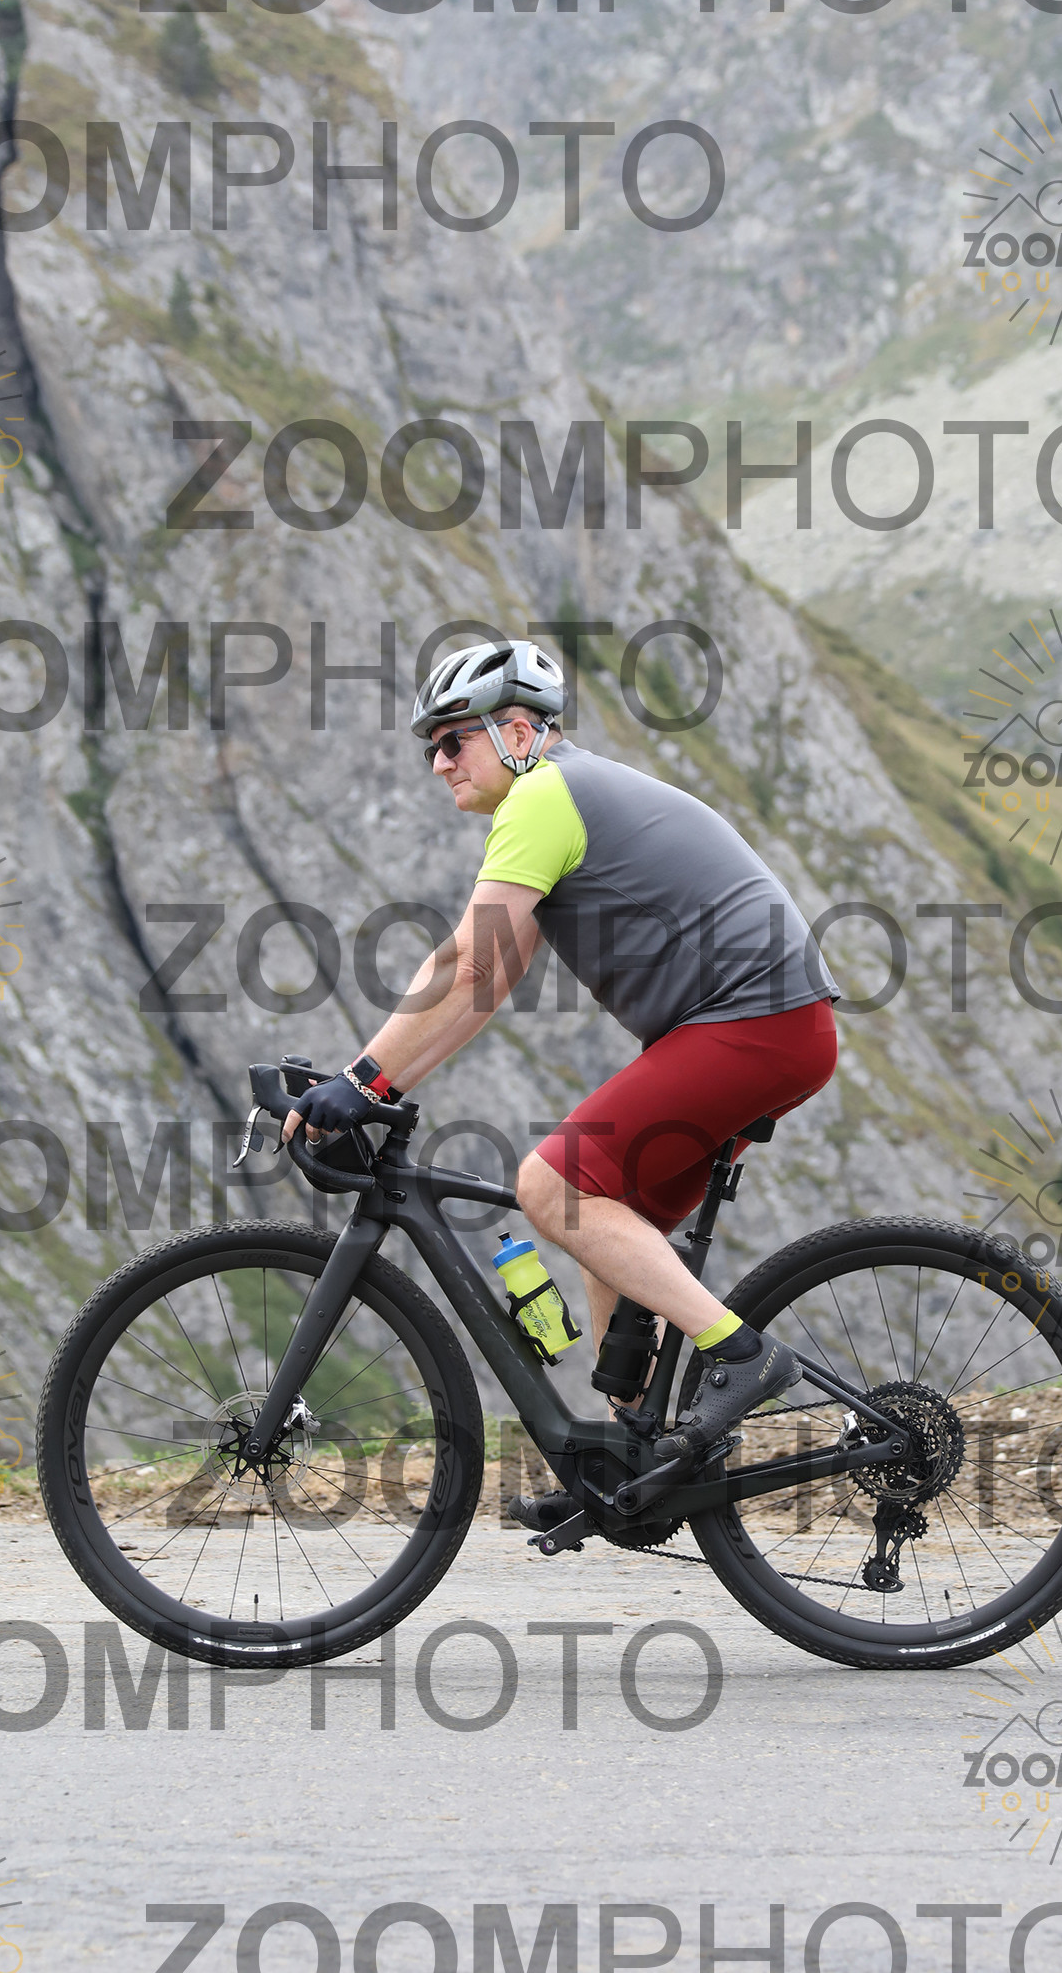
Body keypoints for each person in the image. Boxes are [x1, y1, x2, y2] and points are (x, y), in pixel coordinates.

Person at [282, 637, 839, 1519]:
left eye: (452, 740)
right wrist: (380, 1084)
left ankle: (741, 1355)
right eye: (431, 748)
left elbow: (464, 963)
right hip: (772, 1027)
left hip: (755, 1024)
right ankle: (632, 1467)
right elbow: (485, 986)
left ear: (515, 732)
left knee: (553, 1186)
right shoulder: (561, 799)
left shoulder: (544, 795)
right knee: (606, 1221)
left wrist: (362, 1078)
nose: (438, 762)